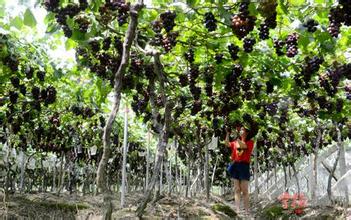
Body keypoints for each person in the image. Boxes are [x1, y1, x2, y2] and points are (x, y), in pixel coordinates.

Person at [225, 123, 255, 214]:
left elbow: (243, 146)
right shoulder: (235, 142)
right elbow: (227, 144)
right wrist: (227, 134)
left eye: (243, 130)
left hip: (244, 166)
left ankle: (246, 209)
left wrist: (238, 137)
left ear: (247, 132)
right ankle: (237, 209)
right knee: (237, 189)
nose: (241, 131)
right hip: (235, 165)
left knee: (244, 190)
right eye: (240, 130)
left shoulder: (250, 142)